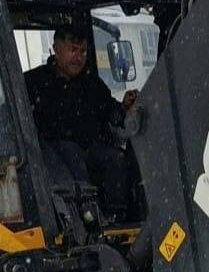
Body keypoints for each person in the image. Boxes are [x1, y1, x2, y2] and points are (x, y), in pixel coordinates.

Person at [23, 27, 137, 218]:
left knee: (117, 158)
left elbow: (111, 112)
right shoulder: (33, 82)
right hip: (52, 158)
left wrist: (124, 108)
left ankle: (118, 214)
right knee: (71, 153)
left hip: (92, 149)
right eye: (73, 50)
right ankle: (87, 214)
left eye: (83, 51)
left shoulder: (92, 83)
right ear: (56, 49)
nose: (79, 57)